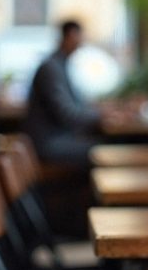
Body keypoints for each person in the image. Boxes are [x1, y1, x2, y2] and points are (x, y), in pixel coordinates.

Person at [24, 20, 103, 168]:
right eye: (80, 36)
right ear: (71, 35)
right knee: (106, 150)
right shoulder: (51, 68)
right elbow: (67, 114)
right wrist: (101, 115)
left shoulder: (60, 64)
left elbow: (77, 105)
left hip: (57, 138)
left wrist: (104, 109)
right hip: (49, 143)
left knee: (106, 146)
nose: (82, 42)